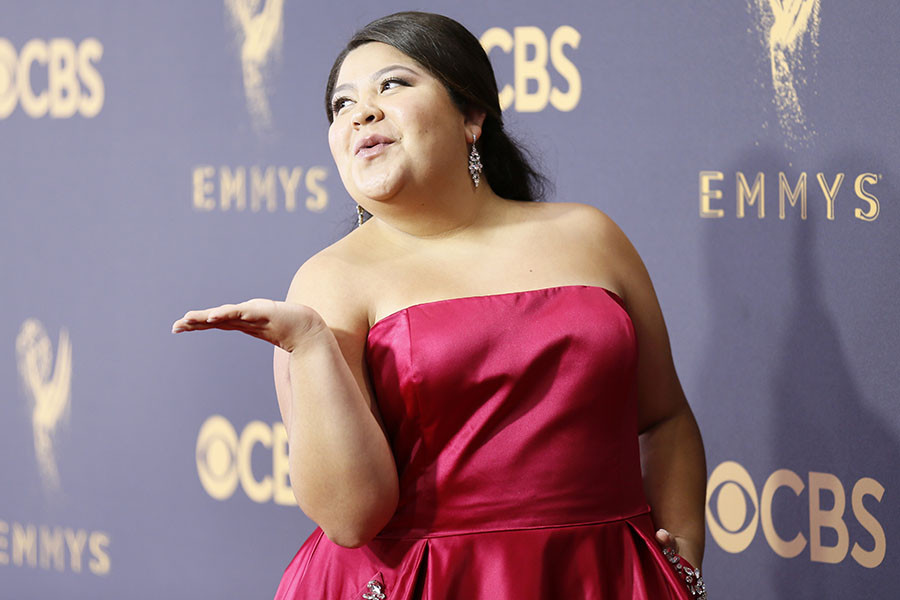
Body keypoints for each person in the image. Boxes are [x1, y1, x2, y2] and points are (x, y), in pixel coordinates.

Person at [173, 11, 707, 599]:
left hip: (600, 578)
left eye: (392, 85)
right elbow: (351, 519)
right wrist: (310, 345)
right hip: (427, 584)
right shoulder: (329, 281)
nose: (362, 112)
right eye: (341, 104)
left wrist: (680, 563)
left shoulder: (590, 235)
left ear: (472, 115)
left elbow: (665, 418)